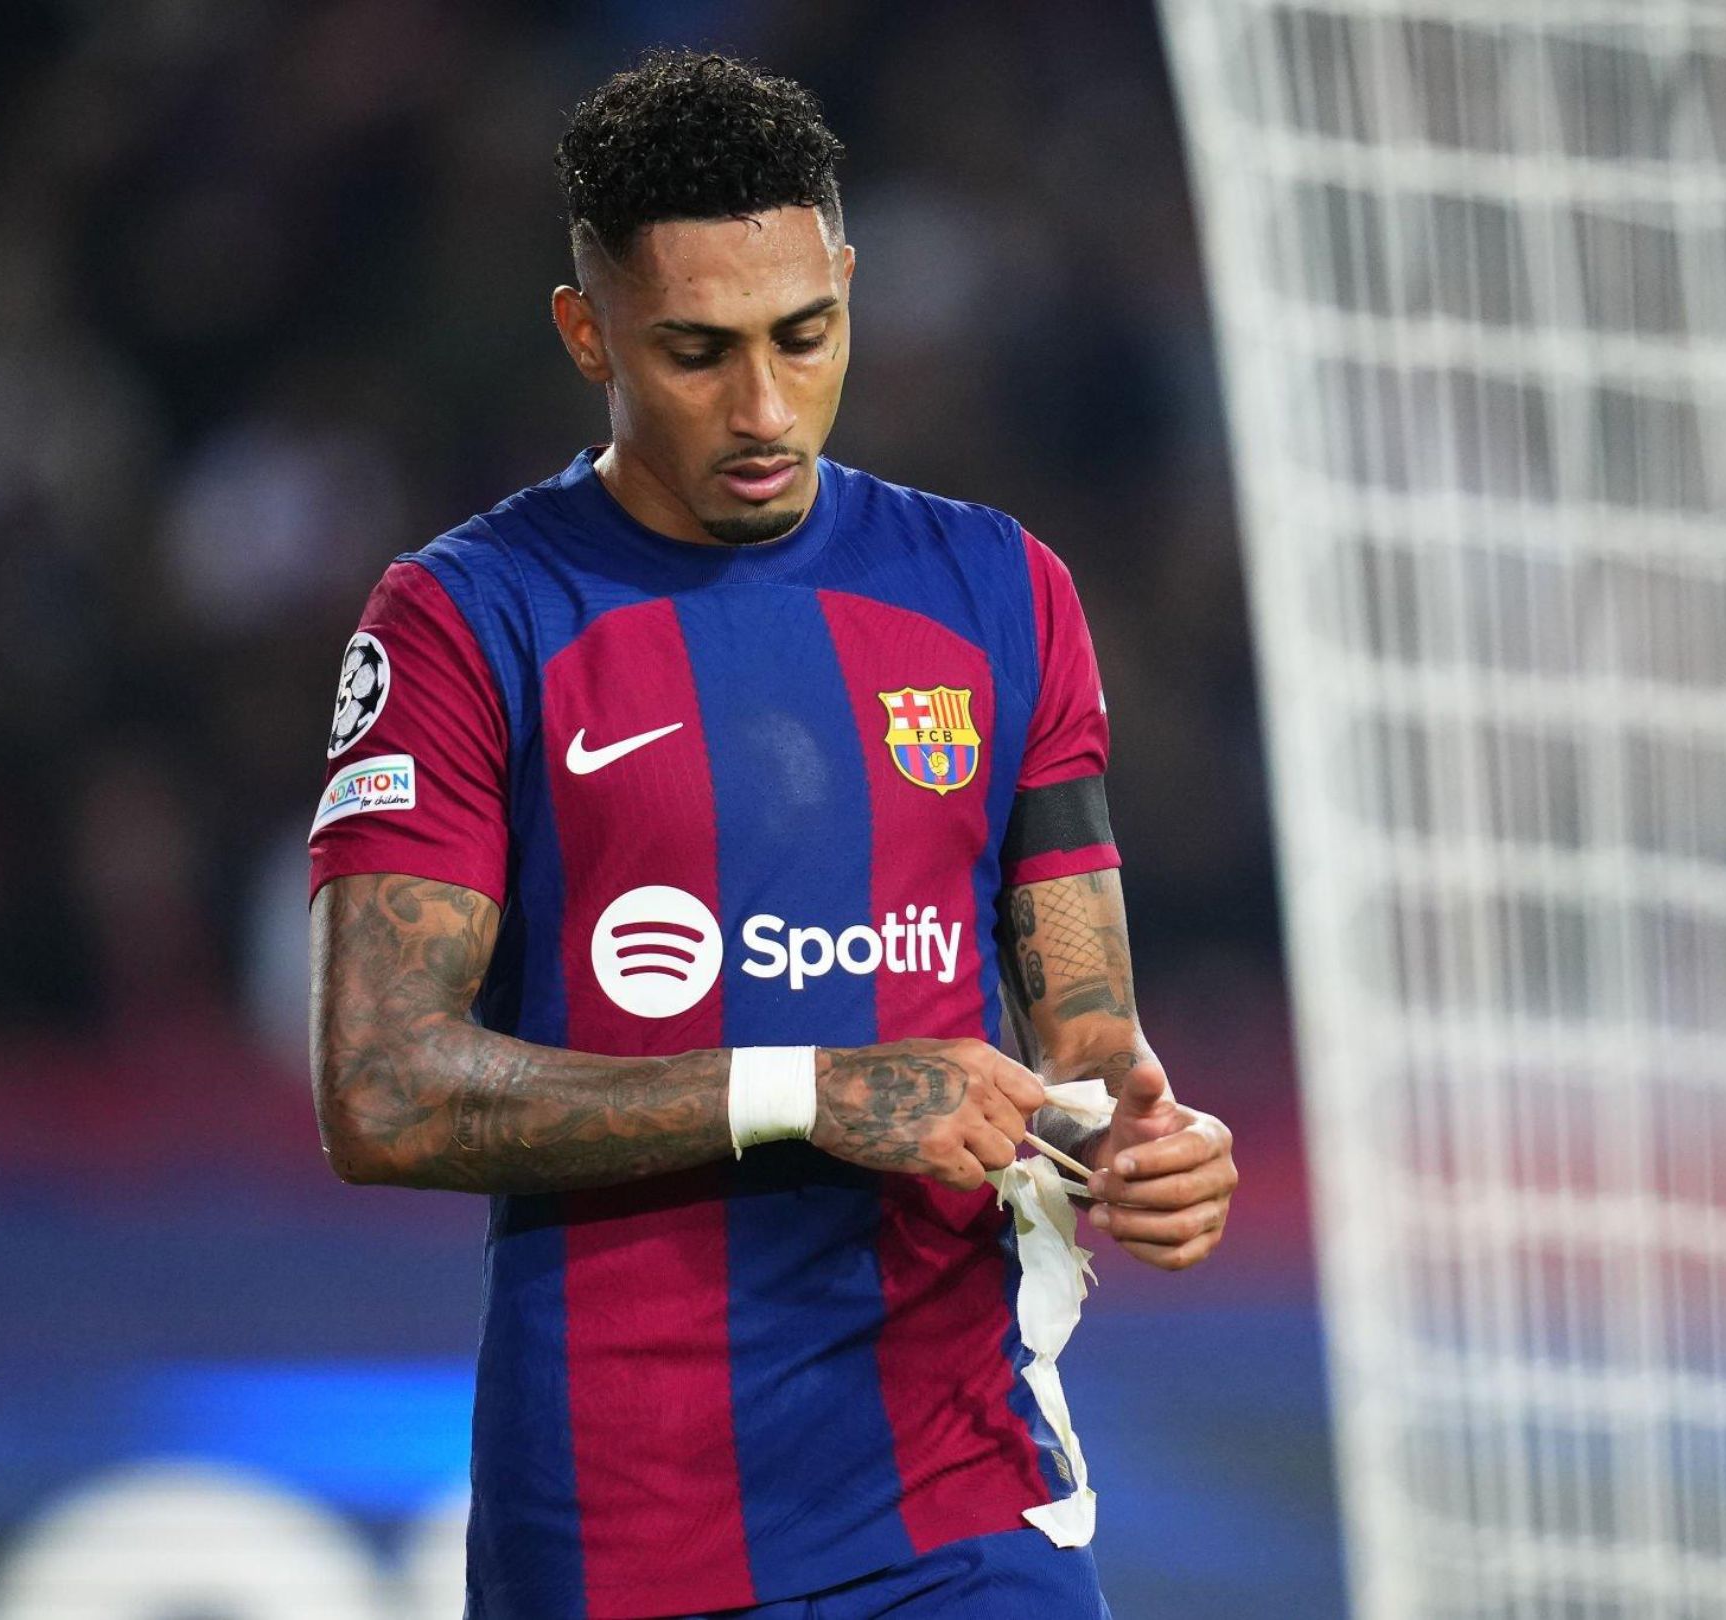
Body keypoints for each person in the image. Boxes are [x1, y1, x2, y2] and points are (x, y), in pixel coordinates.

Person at [306, 49, 1237, 1620]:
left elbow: (1086, 1047)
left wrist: (1143, 1153)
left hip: (960, 1494)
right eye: (694, 351)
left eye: (806, 337)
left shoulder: (1001, 594)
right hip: (618, 1532)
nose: (761, 406)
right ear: (583, 329)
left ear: (850, 289)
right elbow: (379, 1089)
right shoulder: (470, 620)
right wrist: (807, 1091)